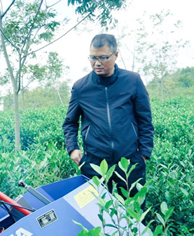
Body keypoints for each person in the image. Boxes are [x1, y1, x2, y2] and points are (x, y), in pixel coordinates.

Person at [62, 34, 154, 196]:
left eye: (103, 57)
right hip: (95, 163)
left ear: (116, 55)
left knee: (134, 214)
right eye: (93, 58)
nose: (97, 63)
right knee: (97, 213)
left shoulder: (133, 81)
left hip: (129, 162)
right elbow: (70, 122)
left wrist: (144, 154)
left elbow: (145, 119)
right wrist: (72, 148)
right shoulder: (81, 87)